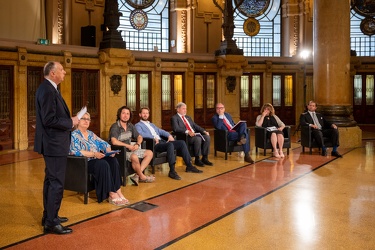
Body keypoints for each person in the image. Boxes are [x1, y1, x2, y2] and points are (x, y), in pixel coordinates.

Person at [34, 61, 79, 235]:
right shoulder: (47, 90)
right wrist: (71, 122)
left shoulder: (50, 89)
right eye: (61, 70)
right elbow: (49, 120)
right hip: (54, 144)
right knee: (56, 183)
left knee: (50, 181)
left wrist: (70, 121)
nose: (65, 72)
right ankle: (51, 223)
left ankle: (50, 216)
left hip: (54, 143)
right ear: (53, 73)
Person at [69, 112, 128, 206]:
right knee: (102, 164)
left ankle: (118, 190)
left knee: (113, 161)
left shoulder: (91, 134)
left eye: (88, 119)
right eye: (83, 118)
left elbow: (104, 144)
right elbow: (74, 151)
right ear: (78, 121)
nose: (86, 121)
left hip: (96, 158)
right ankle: (111, 194)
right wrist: (93, 154)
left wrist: (109, 151)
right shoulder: (74, 135)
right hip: (84, 162)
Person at [135, 107, 203, 179]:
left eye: (147, 113)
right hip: (154, 144)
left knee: (182, 143)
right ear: (140, 114)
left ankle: (189, 166)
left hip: (162, 141)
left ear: (148, 114)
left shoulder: (151, 124)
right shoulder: (138, 125)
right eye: (143, 113)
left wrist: (169, 135)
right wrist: (153, 137)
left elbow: (161, 131)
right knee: (170, 145)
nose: (145, 115)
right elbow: (141, 134)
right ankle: (172, 171)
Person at [109, 106, 154, 185]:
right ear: (119, 114)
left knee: (149, 153)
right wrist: (128, 146)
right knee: (134, 156)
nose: (125, 115)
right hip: (120, 152)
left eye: (128, 114)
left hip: (130, 151)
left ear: (130, 116)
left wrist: (137, 144)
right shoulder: (115, 126)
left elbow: (139, 137)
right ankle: (143, 177)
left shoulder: (130, 126)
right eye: (123, 113)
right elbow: (114, 141)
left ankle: (137, 175)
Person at [171, 102, 213, 167]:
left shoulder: (188, 117)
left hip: (194, 134)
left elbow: (195, 126)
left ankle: (205, 158)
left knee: (207, 137)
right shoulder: (174, 118)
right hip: (185, 137)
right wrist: (187, 131)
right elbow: (176, 129)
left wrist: (204, 131)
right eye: (183, 109)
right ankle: (197, 159)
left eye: (186, 109)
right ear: (178, 109)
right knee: (198, 139)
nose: (185, 110)